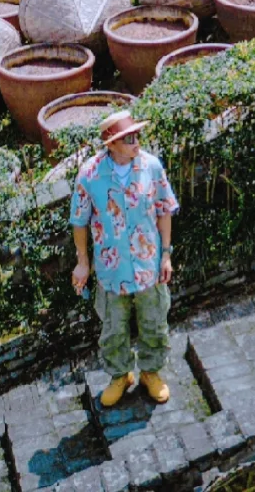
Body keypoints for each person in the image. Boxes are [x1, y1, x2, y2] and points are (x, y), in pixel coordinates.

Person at [69, 109, 178, 408]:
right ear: (112, 144)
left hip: (149, 266)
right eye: (129, 138)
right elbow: (79, 221)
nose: (136, 142)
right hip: (111, 269)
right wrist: (82, 262)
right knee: (114, 328)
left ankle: (151, 373)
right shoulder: (90, 175)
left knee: (154, 322)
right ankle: (120, 376)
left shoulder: (151, 167)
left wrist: (166, 254)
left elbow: (164, 209)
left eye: (137, 136)